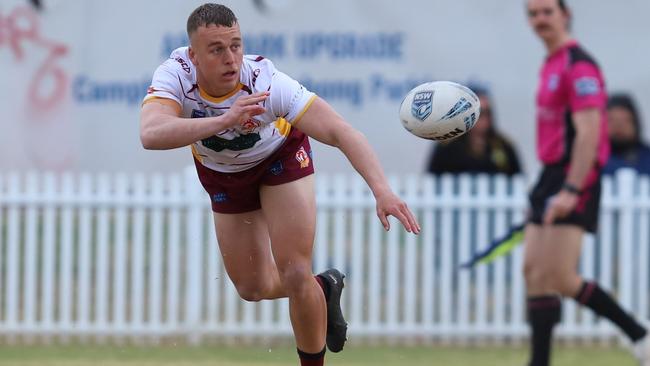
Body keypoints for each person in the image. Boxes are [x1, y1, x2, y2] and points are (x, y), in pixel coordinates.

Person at [139, 4, 420, 366]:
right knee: (252, 288)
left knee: (294, 270)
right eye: (217, 49)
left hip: (280, 160)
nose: (231, 58)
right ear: (193, 55)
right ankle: (323, 288)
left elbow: (340, 131)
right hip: (224, 175)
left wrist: (382, 190)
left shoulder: (267, 82)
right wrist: (226, 119)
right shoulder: (175, 75)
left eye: (236, 45)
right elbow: (151, 134)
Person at [524, 1, 649, 365]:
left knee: (559, 276)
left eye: (547, 11)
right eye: (532, 14)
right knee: (533, 272)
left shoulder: (579, 65)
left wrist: (573, 188)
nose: (539, 19)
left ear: (566, 14)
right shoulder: (550, 62)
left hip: (574, 175)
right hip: (550, 175)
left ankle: (640, 336)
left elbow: (590, 131)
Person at [426, 84, 522, 176]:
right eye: (478, 113)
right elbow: (431, 180)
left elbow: (518, 180)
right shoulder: (448, 147)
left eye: (487, 112)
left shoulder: (504, 146)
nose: (484, 119)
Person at [603, 93, 650, 176]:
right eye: (612, 120)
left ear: (635, 123)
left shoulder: (647, 157)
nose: (618, 127)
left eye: (625, 121)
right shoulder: (593, 160)